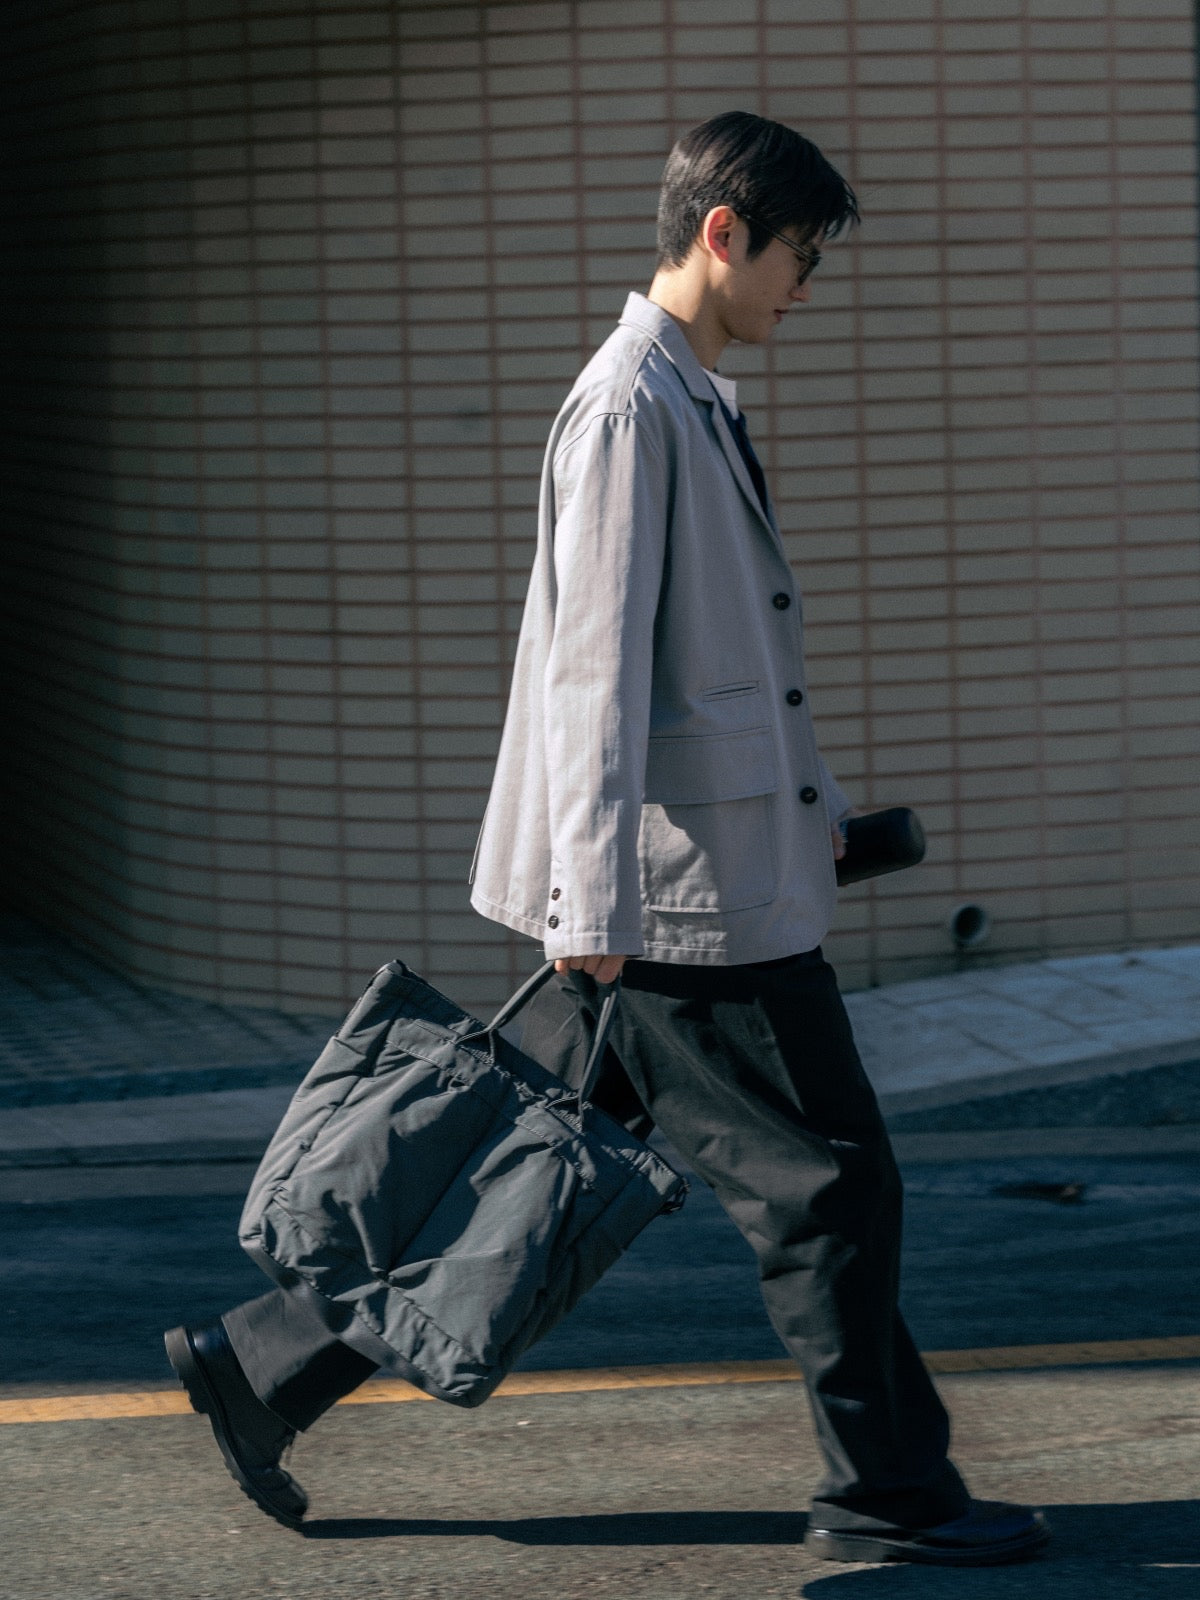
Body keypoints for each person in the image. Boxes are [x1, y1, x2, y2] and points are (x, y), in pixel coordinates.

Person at [165, 110, 1048, 1566]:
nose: (806, 287)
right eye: (799, 255)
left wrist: (815, 814)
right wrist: (590, 906)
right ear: (724, 233)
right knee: (831, 1191)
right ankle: (886, 1498)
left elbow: (727, 666)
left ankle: (262, 1363)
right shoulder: (633, 408)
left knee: (530, 1149)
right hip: (681, 906)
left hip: (693, 882)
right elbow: (593, 675)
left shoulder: (685, 396)